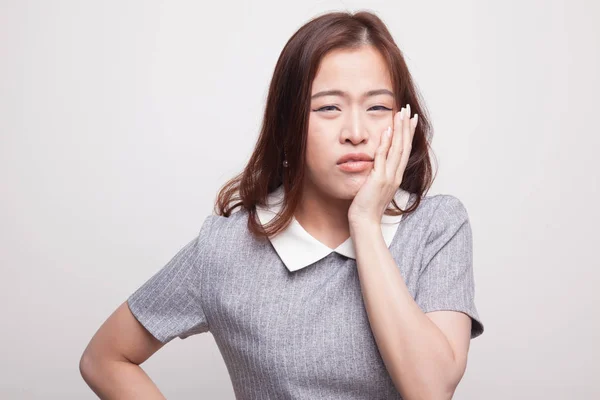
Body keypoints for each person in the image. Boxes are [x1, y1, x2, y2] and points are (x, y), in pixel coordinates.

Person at [79, 10, 484, 400]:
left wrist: (365, 221)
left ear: (402, 120)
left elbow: (431, 390)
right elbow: (105, 359)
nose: (356, 132)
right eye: (328, 107)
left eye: (377, 107)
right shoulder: (226, 248)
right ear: (288, 125)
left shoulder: (436, 226)